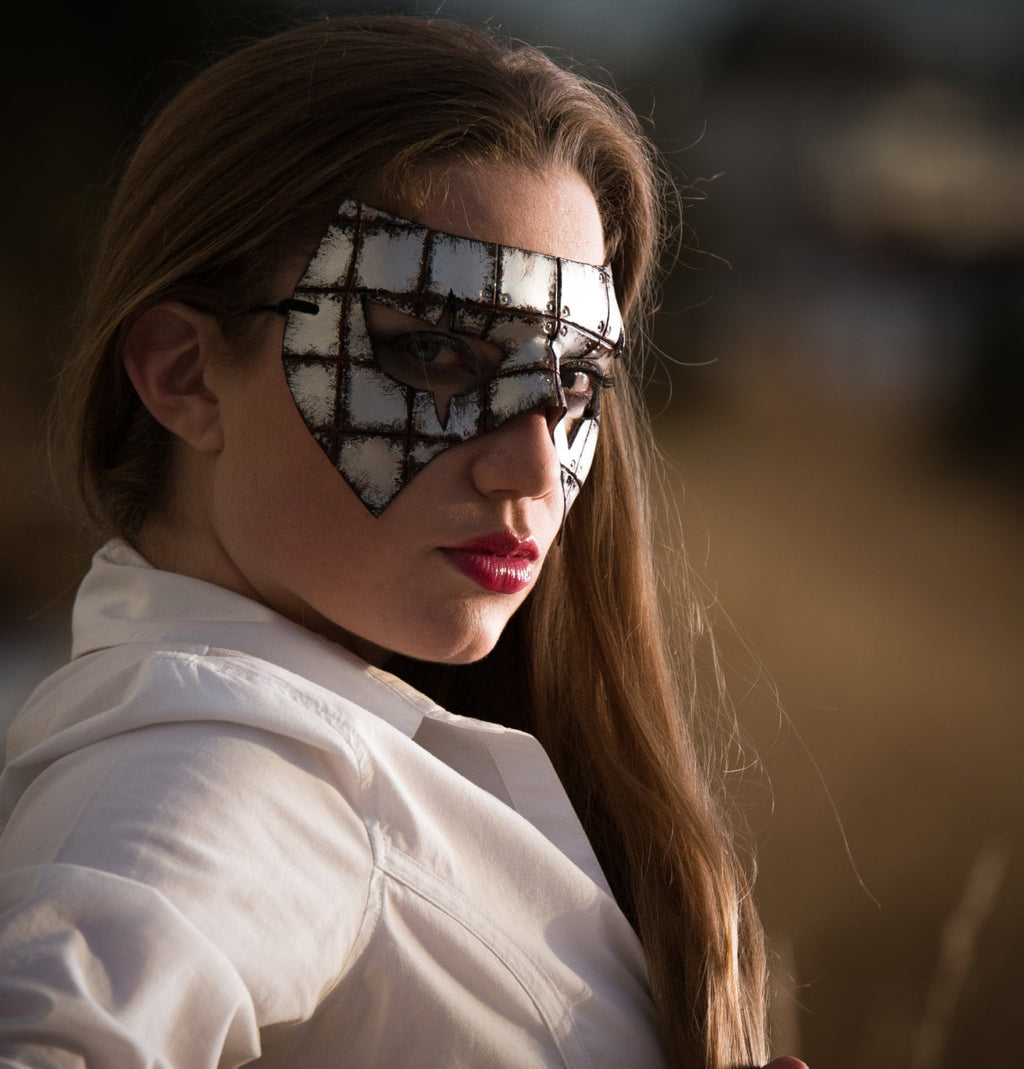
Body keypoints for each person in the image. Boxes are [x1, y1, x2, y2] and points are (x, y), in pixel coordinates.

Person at [0, 15, 807, 1069]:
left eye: (573, 384)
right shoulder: (213, 775)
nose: (531, 468)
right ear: (184, 374)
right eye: (432, 352)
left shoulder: (324, 740)